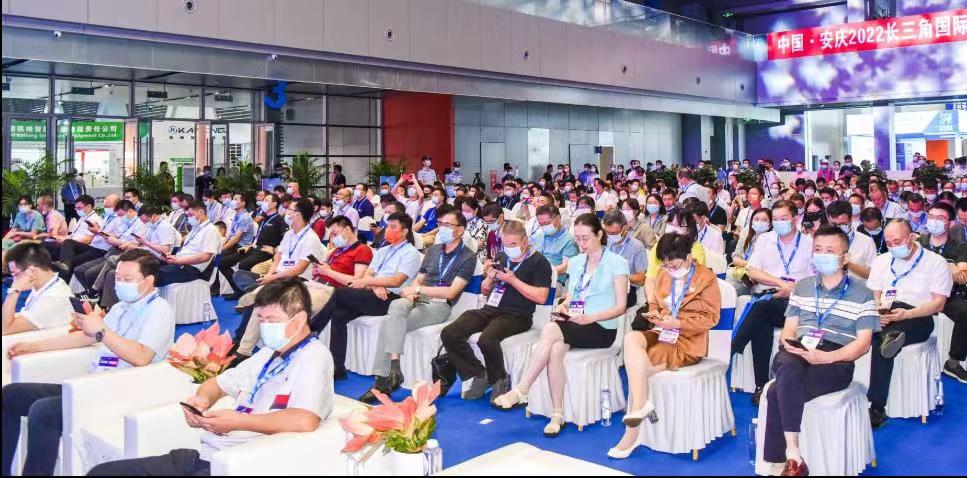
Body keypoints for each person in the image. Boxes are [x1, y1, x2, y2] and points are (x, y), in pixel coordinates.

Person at [87, 278, 332, 477]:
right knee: (103, 472)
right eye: (261, 319)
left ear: (300, 319)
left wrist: (238, 421)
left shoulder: (314, 356)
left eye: (272, 320)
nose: (265, 326)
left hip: (239, 463)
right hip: (205, 456)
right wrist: (202, 400)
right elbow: (217, 384)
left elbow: (305, 419)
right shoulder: (268, 354)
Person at [1, 249, 174, 476]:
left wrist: (101, 331)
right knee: (11, 395)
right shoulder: (122, 306)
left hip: (123, 390)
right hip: (94, 382)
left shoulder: (159, 310)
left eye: (127, 279)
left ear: (149, 280)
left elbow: (141, 356)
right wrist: (33, 346)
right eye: (118, 278)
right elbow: (86, 337)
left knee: (43, 412)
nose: (120, 283)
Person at [493, 214, 628, 436]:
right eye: (578, 239)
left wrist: (591, 317)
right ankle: (558, 414)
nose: (581, 243)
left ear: (599, 234)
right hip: (576, 322)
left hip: (602, 327)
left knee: (550, 329)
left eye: (586, 238)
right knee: (555, 349)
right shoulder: (576, 262)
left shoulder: (617, 263)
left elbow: (621, 307)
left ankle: (522, 388)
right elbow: (572, 296)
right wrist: (565, 306)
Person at [759, 225, 877, 476]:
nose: (822, 255)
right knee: (786, 362)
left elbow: (863, 344)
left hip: (838, 358)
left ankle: (782, 464)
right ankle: (793, 455)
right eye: (818, 250)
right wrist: (791, 344)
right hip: (801, 350)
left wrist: (826, 357)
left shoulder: (863, 294)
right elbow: (789, 330)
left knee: (777, 390)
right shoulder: (802, 287)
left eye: (830, 251)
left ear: (845, 257)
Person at [607, 233, 721, 459]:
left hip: (688, 340)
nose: (669, 269)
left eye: (674, 265)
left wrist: (678, 323)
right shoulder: (664, 273)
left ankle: (632, 432)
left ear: (688, 258)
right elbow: (657, 304)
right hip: (663, 332)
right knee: (631, 339)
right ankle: (641, 407)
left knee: (642, 359)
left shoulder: (706, 278)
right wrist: (656, 315)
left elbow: (711, 318)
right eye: (665, 265)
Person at [360, 207, 477, 402]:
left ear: (460, 230)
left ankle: (381, 383)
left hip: (438, 304)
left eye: (448, 225)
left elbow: (451, 292)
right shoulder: (434, 250)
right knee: (396, 307)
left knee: (390, 323)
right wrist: (412, 292)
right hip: (417, 297)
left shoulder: (468, 257)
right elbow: (420, 278)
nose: (442, 228)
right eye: (440, 224)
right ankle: (395, 367)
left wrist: (417, 290)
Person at [441, 220, 552, 404]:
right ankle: (479, 373)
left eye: (513, 244)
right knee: (450, 333)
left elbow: (541, 297)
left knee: (487, 339)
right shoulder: (501, 256)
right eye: (505, 244)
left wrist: (513, 280)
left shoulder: (539, 262)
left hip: (518, 315)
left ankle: (499, 379)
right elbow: (485, 291)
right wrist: (488, 281)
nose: (509, 249)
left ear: (525, 241)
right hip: (490, 309)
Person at [309, 213, 422, 379]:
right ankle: (338, 367)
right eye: (387, 226)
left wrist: (372, 283)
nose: (387, 230)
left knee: (339, 292)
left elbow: (397, 280)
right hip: (373, 293)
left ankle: (311, 332)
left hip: (391, 298)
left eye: (393, 227)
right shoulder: (383, 250)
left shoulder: (411, 253)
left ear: (404, 231)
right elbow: (368, 274)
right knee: (339, 314)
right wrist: (375, 285)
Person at [865, 219, 951, 428]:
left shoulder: (935, 262)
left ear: (912, 237)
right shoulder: (881, 261)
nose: (893, 246)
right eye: (889, 243)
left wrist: (907, 314)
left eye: (898, 241)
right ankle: (876, 406)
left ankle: (876, 407)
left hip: (919, 317)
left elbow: (938, 304)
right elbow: (874, 295)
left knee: (882, 336)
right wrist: (877, 312)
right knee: (877, 337)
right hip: (886, 315)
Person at [732, 200, 815, 405]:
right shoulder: (765, 239)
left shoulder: (809, 242)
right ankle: (761, 386)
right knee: (762, 320)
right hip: (769, 296)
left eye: (783, 218)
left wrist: (791, 288)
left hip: (796, 302)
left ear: (794, 219)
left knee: (761, 309)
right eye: (775, 219)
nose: (779, 223)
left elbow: (815, 278)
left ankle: (733, 348)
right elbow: (752, 271)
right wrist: (780, 283)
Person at [232, 199, 325, 359]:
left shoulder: (311, 239)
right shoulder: (289, 234)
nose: (287, 213)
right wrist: (269, 275)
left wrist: (273, 278)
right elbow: (278, 257)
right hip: (276, 277)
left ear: (299, 214)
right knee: (239, 274)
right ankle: (257, 289)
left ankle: (243, 350)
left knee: (259, 301)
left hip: (295, 281)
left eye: (290, 210)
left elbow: (299, 269)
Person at [916, 203, 967, 382]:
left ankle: (953, 363)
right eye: (931, 217)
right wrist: (950, 266)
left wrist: (936, 263)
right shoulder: (918, 243)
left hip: (945, 294)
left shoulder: (960, 247)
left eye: (940, 218)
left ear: (950, 223)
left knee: (965, 312)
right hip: (917, 292)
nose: (934, 221)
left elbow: (962, 277)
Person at [74, 200, 145, 301]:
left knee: (91, 273)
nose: (120, 217)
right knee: (79, 270)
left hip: (125, 253)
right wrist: (101, 233)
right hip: (111, 250)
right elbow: (114, 234)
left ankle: (94, 293)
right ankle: (92, 294)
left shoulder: (140, 224)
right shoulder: (122, 221)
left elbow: (135, 245)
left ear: (130, 211)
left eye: (121, 215)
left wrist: (117, 242)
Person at [222, 194, 287, 297]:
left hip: (265, 252)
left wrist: (274, 249)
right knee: (221, 262)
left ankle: (251, 293)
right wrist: (250, 245)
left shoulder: (279, 221)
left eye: (266, 200)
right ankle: (239, 290)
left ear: (274, 204)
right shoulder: (265, 219)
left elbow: (285, 242)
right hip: (253, 248)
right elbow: (257, 237)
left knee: (243, 265)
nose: (264, 203)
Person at [2, 243, 74, 335]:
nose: (14, 280)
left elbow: (4, 329)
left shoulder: (52, 298)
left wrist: (14, 289)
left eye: (15, 274)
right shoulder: (48, 284)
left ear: (31, 271)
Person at [644, 209, 707, 307]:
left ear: (688, 230)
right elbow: (651, 279)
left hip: (686, 301)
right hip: (660, 298)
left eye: (678, 225)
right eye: (671, 224)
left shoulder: (695, 249)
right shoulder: (659, 246)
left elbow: (693, 283)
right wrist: (653, 305)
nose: (673, 228)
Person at [155, 201, 222, 286]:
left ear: (201, 212)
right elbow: (187, 250)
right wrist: (174, 258)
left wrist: (179, 260)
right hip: (182, 264)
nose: (189, 218)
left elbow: (205, 257)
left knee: (155, 276)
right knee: (150, 268)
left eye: (190, 215)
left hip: (194, 269)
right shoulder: (196, 229)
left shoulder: (211, 230)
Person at [602, 210, 648, 307]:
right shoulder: (604, 242)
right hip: (604, 284)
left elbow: (641, 279)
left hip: (626, 287)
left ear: (625, 228)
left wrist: (619, 275)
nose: (610, 236)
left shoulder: (637, 247)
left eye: (614, 233)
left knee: (605, 302)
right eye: (607, 232)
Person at [825, 200, 876, 280]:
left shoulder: (866, 242)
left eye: (843, 224)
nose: (838, 228)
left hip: (858, 286)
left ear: (851, 219)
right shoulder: (822, 241)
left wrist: (846, 263)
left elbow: (873, 274)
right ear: (828, 219)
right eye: (834, 224)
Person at [530, 204, 579, 287]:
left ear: (558, 218)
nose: (544, 227)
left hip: (554, 280)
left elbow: (565, 267)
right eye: (541, 224)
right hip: (534, 275)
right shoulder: (539, 234)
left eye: (546, 223)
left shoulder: (569, 240)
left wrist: (543, 273)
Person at [729, 208, 772, 296]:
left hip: (757, 282)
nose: (759, 222)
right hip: (740, 275)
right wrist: (750, 265)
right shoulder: (746, 233)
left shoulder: (772, 241)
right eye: (756, 219)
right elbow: (736, 258)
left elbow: (765, 268)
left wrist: (746, 265)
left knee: (730, 292)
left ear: (770, 224)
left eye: (764, 220)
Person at [2, 196, 46, 265]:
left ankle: (6, 266)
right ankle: (4, 265)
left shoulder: (37, 216)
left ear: (30, 205)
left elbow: (32, 234)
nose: (22, 206)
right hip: (22, 239)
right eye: (20, 204)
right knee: (4, 243)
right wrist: (3, 240)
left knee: (14, 247)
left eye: (25, 204)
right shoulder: (19, 215)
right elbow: (12, 231)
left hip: (36, 240)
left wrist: (18, 233)